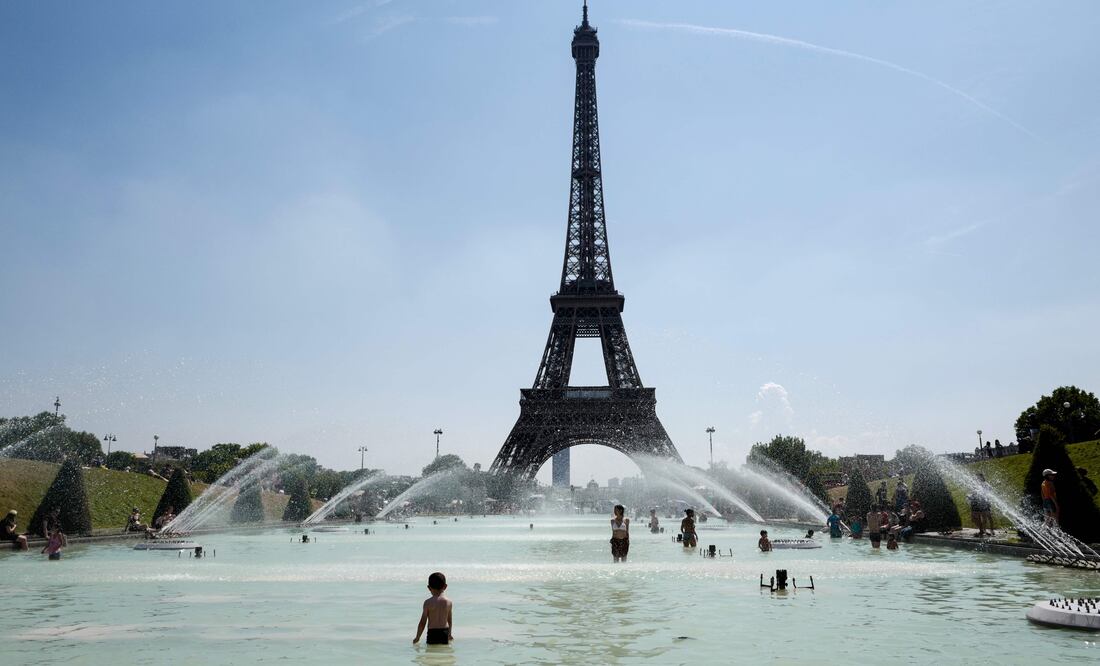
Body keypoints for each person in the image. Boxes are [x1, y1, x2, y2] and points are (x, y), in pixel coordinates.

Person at [413, 572, 452, 645]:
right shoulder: (448, 602)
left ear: (429, 587)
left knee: (431, 652)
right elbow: (449, 620)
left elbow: (422, 622)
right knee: (444, 654)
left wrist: (417, 637)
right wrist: (449, 634)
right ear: (445, 586)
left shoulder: (428, 603)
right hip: (444, 632)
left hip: (432, 633)